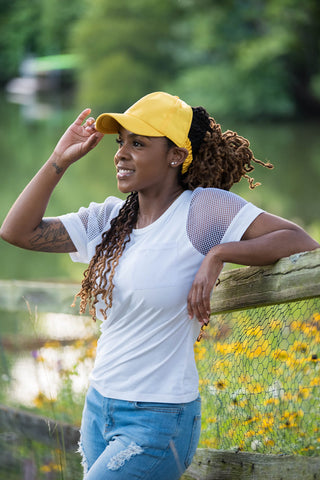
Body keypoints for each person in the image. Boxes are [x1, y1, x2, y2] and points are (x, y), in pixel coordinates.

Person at [0, 91, 318, 479]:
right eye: (121, 143)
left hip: (159, 418)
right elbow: (16, 231)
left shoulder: (202, 211)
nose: (121, 153)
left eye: (138, 143)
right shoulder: (110, 219)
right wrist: (57, 162)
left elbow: (301, 241)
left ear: (175, 155)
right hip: (100, 407)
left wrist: (218, 253)